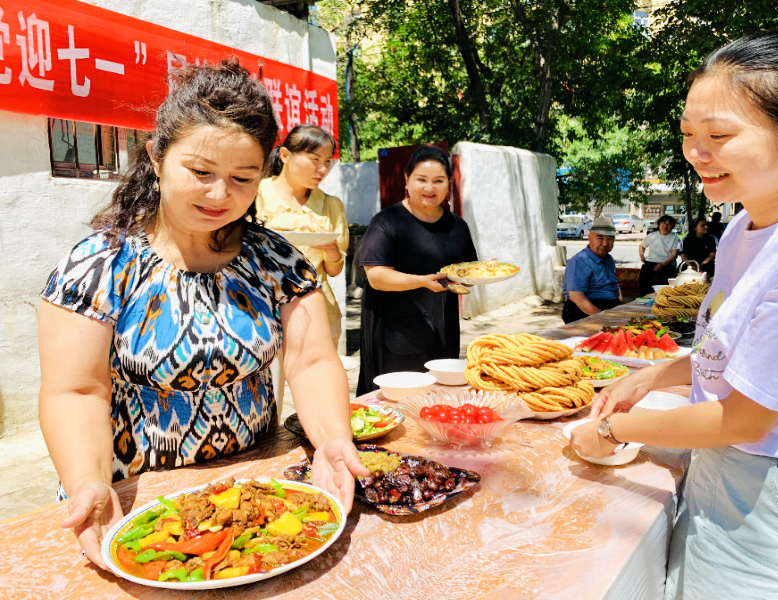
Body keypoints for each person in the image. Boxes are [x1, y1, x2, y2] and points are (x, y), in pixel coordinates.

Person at [570, 32, 778, 600]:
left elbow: (746, 417)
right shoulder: (745, 226)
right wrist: (651, 376)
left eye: (719, 135)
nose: (697, 152)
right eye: (688, 134)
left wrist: (609, 429)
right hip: (721, 480)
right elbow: (729, 349)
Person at [38, 60, 367, 571]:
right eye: (200, 172)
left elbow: (311, 362)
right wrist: (87, 481)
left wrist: (332, 441)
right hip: (134, 507)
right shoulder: (99, 265)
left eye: (242, 178)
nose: (219, 195)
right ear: (156, 157)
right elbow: (76, 391)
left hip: (256, 496)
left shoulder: (275, 259)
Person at [356, 145, 477, 395]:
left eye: (438, 180)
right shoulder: (387, 222)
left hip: (442, 329)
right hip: (394, 332)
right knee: (396, 400)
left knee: (439, 396)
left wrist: (483, 273)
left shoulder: (457, 226)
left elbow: (468, 273)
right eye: (421, 179)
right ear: (407, 180)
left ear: (448, 184)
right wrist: (421, 281)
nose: (429, 188)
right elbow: (376, 277)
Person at [256, 125, 349, 348]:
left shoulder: (330, 205)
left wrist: (332, 251)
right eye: (315, 159)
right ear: (285, 155)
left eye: (327, 161)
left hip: (318, 313)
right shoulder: (255, 195)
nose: (323, 169)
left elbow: (334, 270)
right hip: (262, 312)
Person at [562, 216, 623, 323]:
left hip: (610, 309)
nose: (605, 243)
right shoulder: (580, 261)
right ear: (589, 237)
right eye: (600, 238)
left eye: (610, 239)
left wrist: (622, 306)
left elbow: (614, 284)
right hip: (585, 312)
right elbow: (577, 297)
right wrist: (604, 319)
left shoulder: (609, 259)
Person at [638, 214, 681, 295]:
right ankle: (645, 296)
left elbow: (674, 256)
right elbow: (642, 246)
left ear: (672, 227)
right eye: (663, 223)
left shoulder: (675, 238)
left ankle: (661, 297)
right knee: (644, 276)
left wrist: (662, 264)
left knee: (662, 278)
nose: (665, 226)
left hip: (667, 263)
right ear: (659, 225)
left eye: (668, 224)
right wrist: (642, 255)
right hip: (651, 261)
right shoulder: (652, 235)